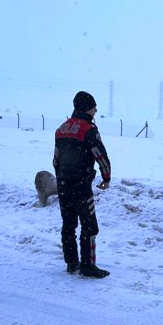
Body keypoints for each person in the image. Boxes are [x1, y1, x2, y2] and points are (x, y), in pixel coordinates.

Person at [53, 91, 112, 278]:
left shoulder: (61, 129)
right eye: (94, 107)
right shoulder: (88, 129)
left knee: (68, 224)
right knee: (89, 226)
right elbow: (100, 155)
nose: (96, 110)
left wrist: (62, 178)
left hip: (63, 185)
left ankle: (71, 263)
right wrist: (106, 177)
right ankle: (88, 266)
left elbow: (56, 160)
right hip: (81, 186)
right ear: (87, 108)